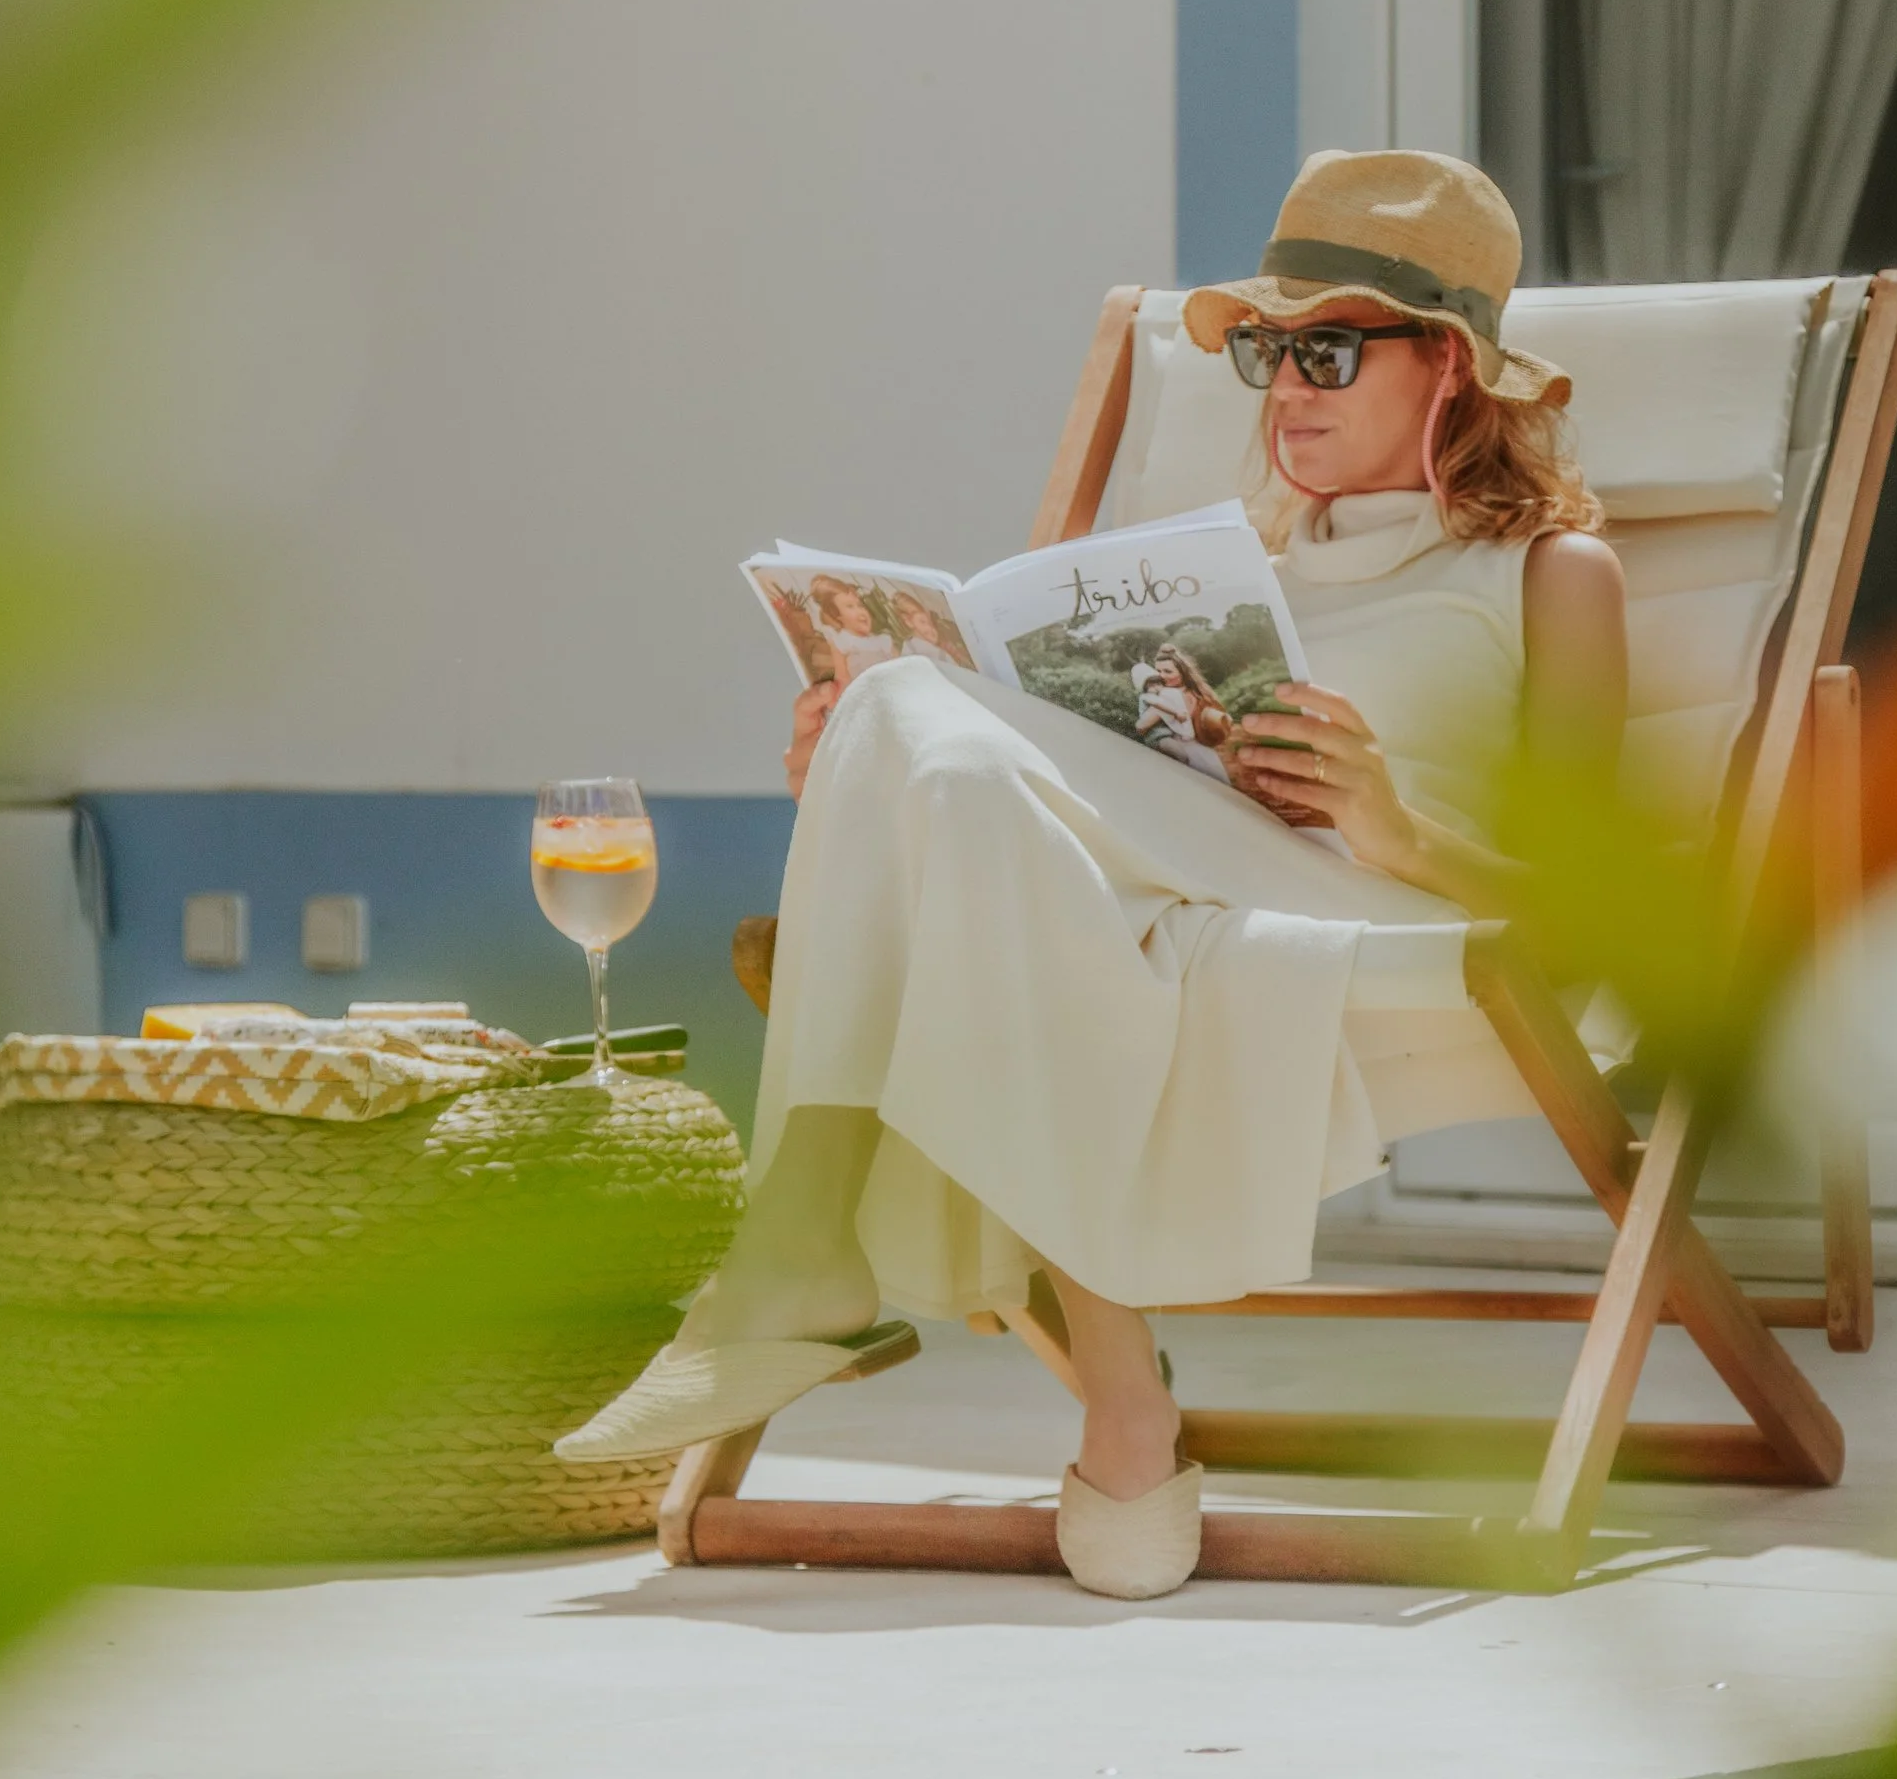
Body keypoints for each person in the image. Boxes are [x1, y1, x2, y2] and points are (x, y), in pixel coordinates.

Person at [560, 150, 1625, 1602]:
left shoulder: (1548, 574)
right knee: (930, 759)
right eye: (1262, 349)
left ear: (1450, 364)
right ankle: (1127, 1411)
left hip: (1387, 919)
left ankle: (804, 1249)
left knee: (924, 736)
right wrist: (871, 769)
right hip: (1157, 905)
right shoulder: (1220, 563)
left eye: (1325, 347)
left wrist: (1397, 823)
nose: (1284, 386)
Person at [1131, 640, 1234, 780]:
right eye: (1159, 671)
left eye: (1168, 671)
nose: (1162, 676)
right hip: (1206, 755)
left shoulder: (1167, 695)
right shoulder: (1199, 693)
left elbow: (1141, 726)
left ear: (1182, 672)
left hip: (1183, 752)